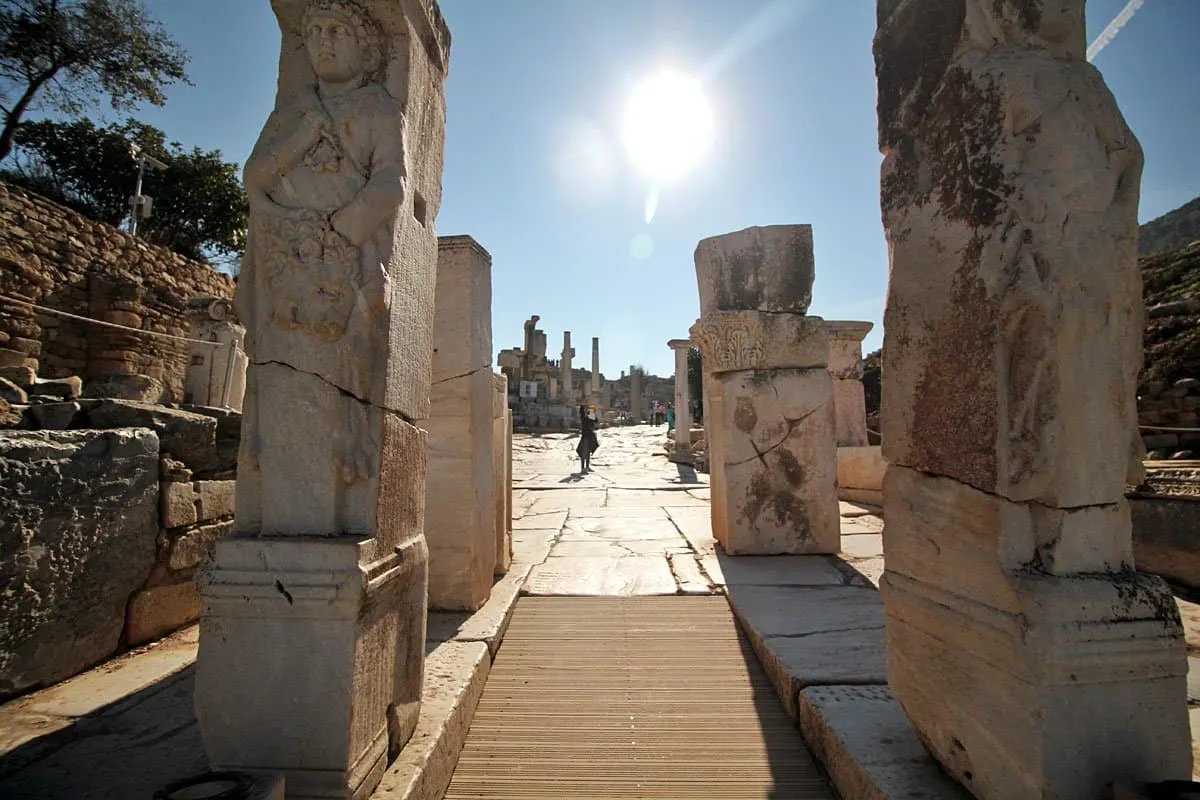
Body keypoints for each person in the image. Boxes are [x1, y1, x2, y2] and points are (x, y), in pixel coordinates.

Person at [577, 403, 599, 472]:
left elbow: (595, 421)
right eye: (585, 408)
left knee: (588, 453)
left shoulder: (589, 415)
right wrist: (589, 412)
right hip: (585, 436)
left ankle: (587, 467)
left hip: (590, 436)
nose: (587, 409)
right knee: (583, 453)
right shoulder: (583, 417)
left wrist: (592, 412)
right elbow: (586, 419)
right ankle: (583, 468)